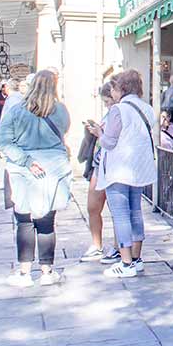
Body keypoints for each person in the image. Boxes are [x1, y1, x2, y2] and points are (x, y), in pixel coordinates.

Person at [0, 70, 72, 287]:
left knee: (24, 219)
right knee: (47, 221)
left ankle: (25, 272)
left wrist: (26, 159)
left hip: (23, 170)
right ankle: (47, 271)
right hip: (52, 169)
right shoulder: (60, 110)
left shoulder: (16, 110)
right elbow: (64, 130)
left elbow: (4, 141)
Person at [91, 69, 157, 279]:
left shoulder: (118, 110)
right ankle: (136, 258)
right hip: (139, 167)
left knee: (120, 214)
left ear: (122, 88)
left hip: (120, 169)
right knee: (136, 211)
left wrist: (98, 133)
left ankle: (126, 261)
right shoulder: (147, 109)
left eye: (115, 87)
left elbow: (109, 142)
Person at [79, 81, 120, 263]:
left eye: (108, 101)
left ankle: (120, 246)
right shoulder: (110, 113)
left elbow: (113, 139)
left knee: (117, 209)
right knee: (92, 206)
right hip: (99, 163)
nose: (107, 105)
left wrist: (99, 133)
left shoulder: (119, 113)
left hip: (112, 165)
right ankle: (97, 244)